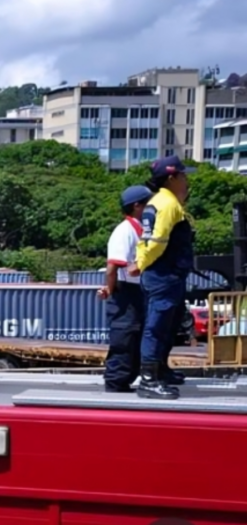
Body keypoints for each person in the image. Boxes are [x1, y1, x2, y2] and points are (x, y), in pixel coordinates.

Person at [135, 155, 196, 400]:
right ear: (171, 178)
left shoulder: (162, 201)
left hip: (168, 274)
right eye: (183, 175)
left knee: (169, 325)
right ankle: (149, 379)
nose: (186, 179)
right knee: (157, 327)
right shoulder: (167, 204)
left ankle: (160, 370)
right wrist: (142, 264)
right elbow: (155, 242)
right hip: (163, 274)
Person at [98, 185, 152, 392]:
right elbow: (113, 267)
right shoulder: (125, 231)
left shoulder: (140, 229)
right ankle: (116, 381)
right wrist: (111, 289)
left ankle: (127, 378)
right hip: (126, 291)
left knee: (136, 335)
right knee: (125, 336)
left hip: (137, 290)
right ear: (137, 206)